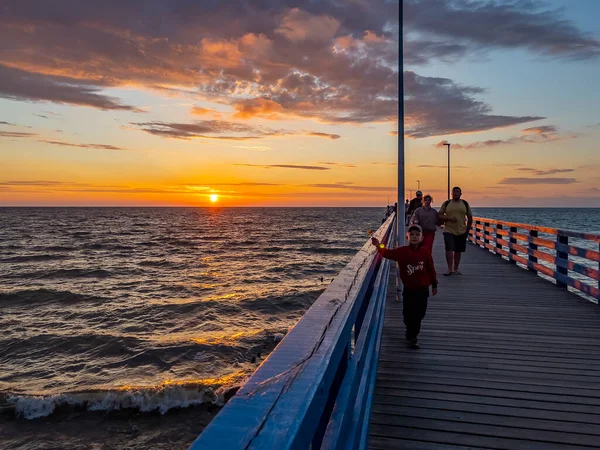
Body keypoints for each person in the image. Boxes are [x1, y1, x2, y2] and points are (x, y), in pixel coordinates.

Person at [371, 224, 438, 349]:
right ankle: (412, 336)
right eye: (411, 235)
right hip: (409, 289)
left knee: (420, 314)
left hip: (423, 289)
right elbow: (387, 253)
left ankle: (412, 332)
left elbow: (430, 268)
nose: (414, 237)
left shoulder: (425, 252)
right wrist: (378, 245)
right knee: (409, 314)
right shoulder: (402, 251)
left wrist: (434, 283)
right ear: (407, 237)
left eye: (417, 235)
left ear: (422, 237)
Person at [438, 186, 473, 276]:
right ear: (451, 193)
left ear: (460, 194)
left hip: (461, 230)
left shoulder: (465, 203)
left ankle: (456, 268)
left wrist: (467, 229)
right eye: (454, 192)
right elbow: (439, 215)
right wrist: (449, 218)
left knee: (458, 251)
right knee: (449, 248)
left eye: (457, 192)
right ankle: (450, 269)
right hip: (448, 230)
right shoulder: (447, 203)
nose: (455, 193)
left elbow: (470, 217)